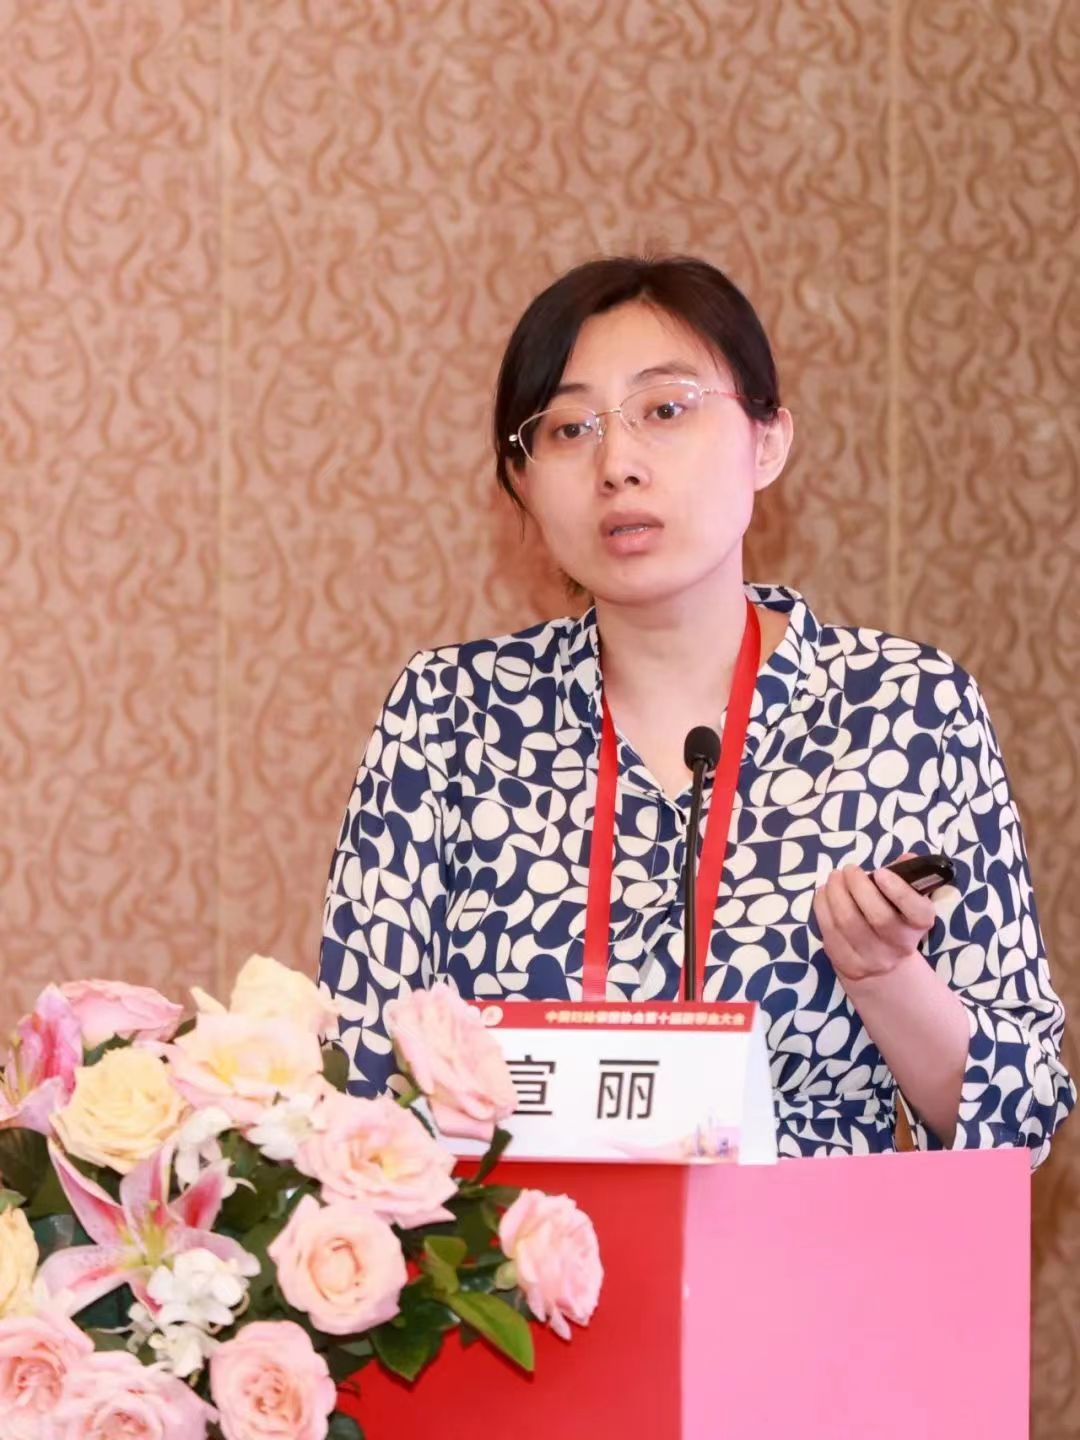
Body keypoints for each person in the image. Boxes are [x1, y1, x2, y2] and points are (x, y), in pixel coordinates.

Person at [318, 254, 1074, 1162]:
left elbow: (1020, 1127)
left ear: (768, 441)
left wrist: (885, 976)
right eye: (568, 429)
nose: (617, 465)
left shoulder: (907, 708)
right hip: (523, 1248)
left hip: (808, 1249)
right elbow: (357, 1083)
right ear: (521, 482)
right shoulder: (449, 714)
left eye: (666, 410)